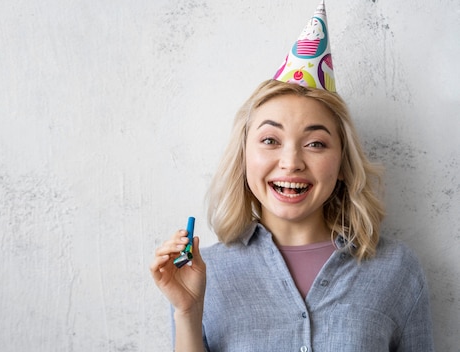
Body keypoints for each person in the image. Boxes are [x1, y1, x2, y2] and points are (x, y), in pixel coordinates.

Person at [150, 2, 434, 351]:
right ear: (244, 157)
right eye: (270, 140)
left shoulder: (398, 271)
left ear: (343, 163)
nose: (291, 162)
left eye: (315, 143)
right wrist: (187, 313)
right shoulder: (203, 275)